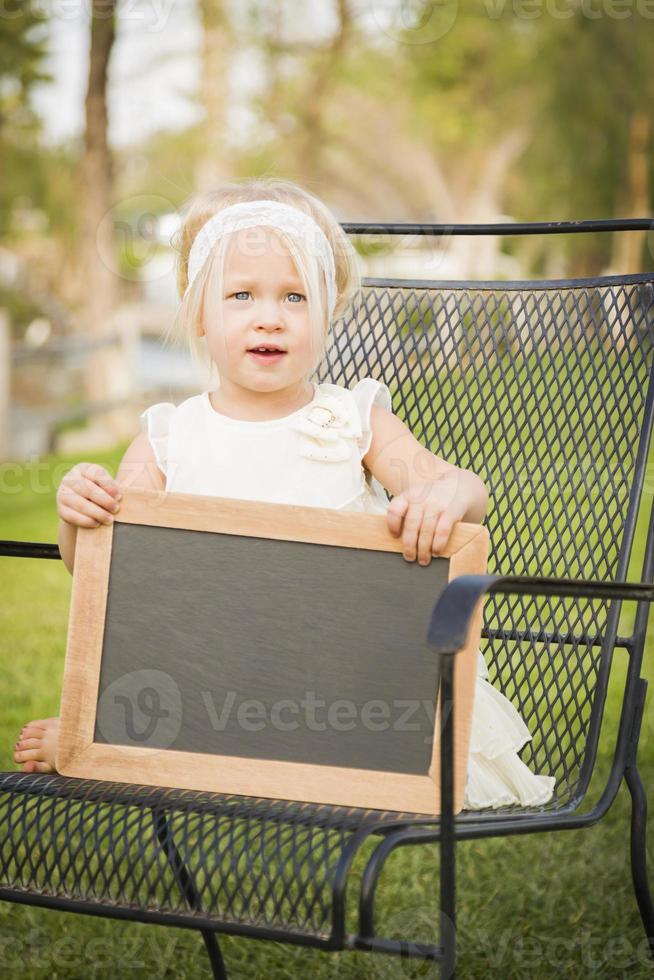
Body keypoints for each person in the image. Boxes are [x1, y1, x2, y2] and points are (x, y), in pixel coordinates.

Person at [13, 177, 555, 810]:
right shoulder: (169, 435)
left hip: (338, 683)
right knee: (170, 653)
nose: (269, 315)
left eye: (295, 296)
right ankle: (105, 738)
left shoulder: (355, 419)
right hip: (217, 671)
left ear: (325, 314)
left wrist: (448, 496)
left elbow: (458, 487)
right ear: (199, 316)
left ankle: (116, 743)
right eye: (241, 294)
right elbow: (101, 565)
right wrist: (78, 514)